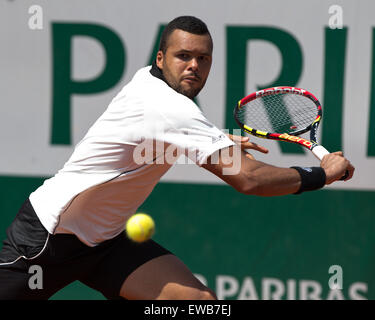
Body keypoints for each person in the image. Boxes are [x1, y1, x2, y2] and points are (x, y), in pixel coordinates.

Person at [0, 16, 354, 300]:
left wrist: (215, 139)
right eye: (183, 56)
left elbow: (153, 138)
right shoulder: (170, 109)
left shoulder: (151, 86)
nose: (193, 66)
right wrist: (322, 174)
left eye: (203, 58)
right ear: (161, 59)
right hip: (48, 240)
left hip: (104, 240)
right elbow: (250, 179)